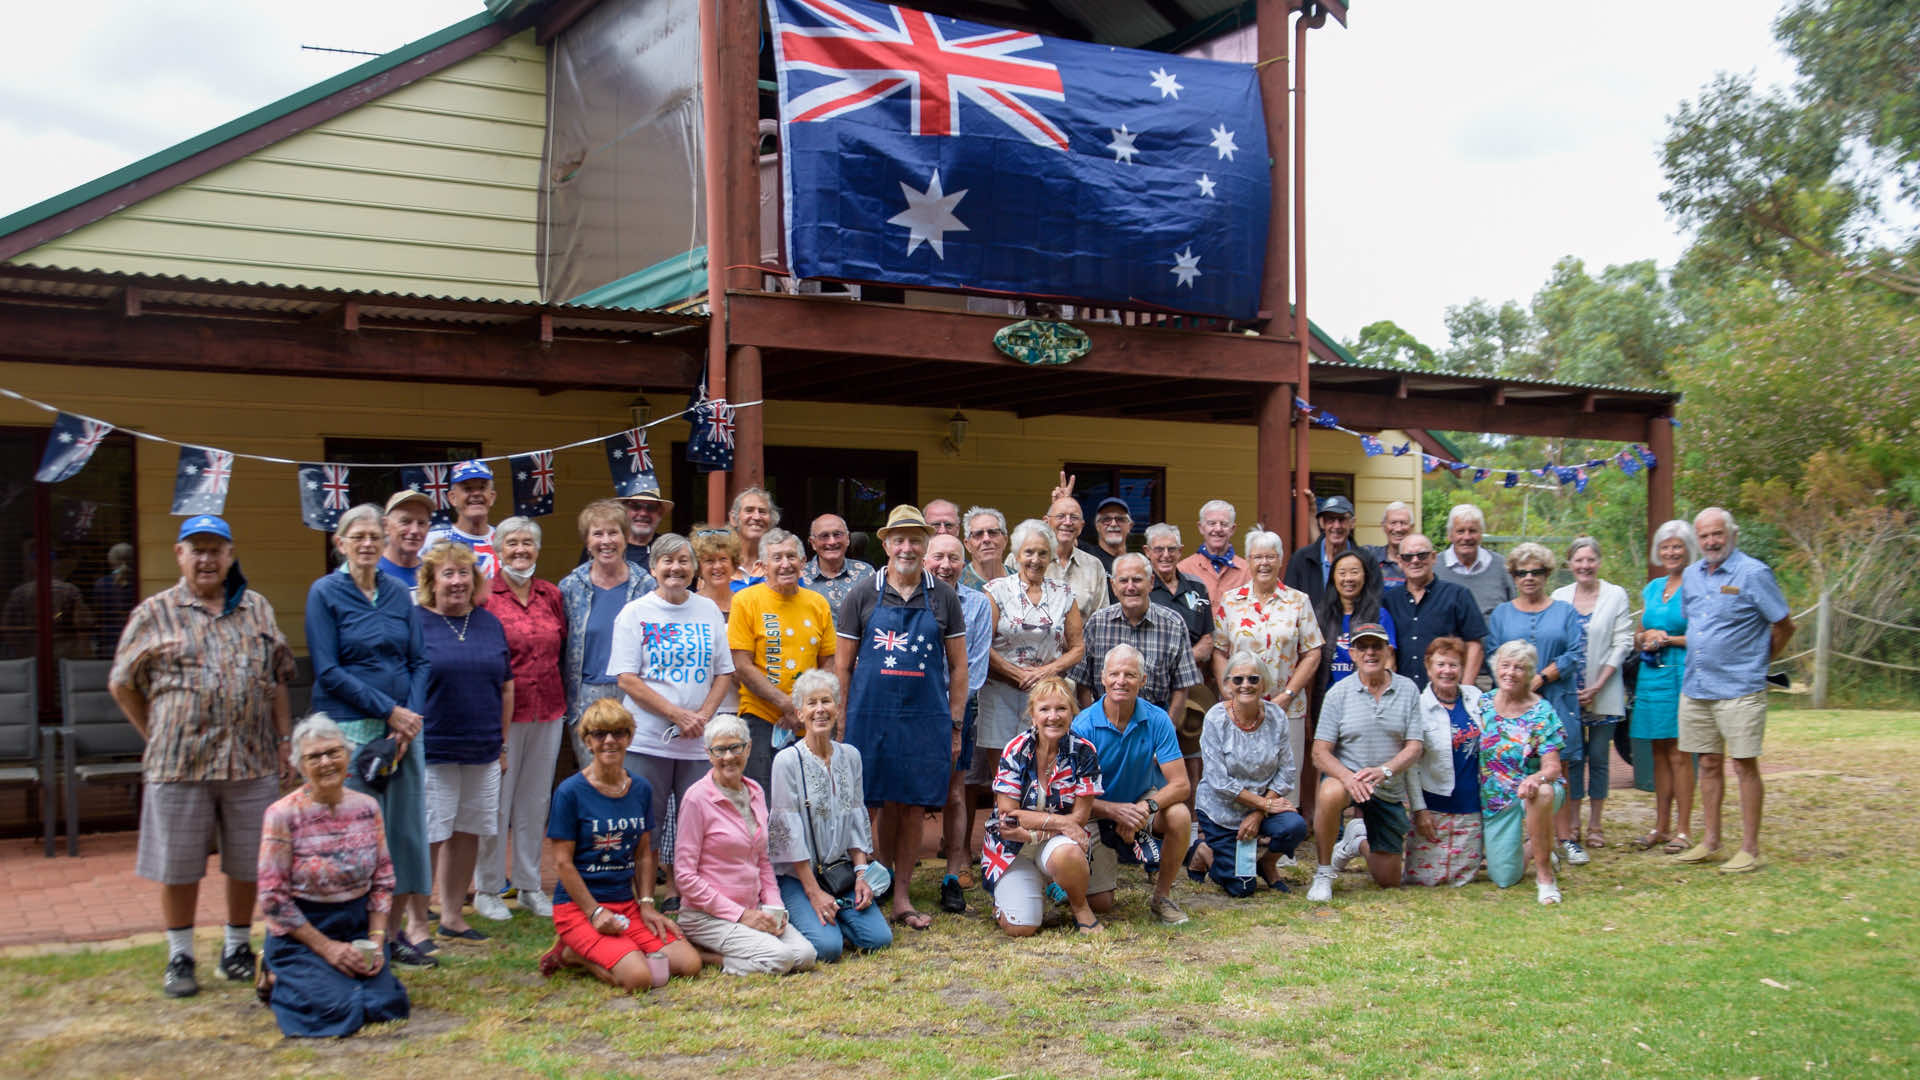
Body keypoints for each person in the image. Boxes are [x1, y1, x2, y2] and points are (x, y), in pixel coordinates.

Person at [109, 514, 294, 998]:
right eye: (198, 550)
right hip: (179, 764)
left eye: (216, 550)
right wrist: (154, 733)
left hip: (251, 760)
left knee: (249, 861)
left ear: (230, 556)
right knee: (179, 865)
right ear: (180, 555)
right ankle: (180, 956)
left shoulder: (257, 608)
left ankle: (236, 948)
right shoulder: (154, 613)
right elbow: (122, 683)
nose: (207, 559)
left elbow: (278, 676)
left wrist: (284, 740)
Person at [303, 504, 433, 965]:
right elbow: (328, 670)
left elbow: (419, 661)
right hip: (352, 736)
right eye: (357, 536)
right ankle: (356, 936)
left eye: (374, 537)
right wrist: (389, 711)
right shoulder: (325, 593)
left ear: (385, 542)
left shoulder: (397, 592)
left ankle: (392, 935)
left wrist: (409, 718)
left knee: (403, 838)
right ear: (339, 543)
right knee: (356, 839)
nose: (366, 544)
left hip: (401, 737)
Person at [834, 505, 969, 931]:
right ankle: (876, 886)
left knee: (912, 805)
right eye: (899, 539)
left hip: (925, 717)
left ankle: (903, 898)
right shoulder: (862, 593)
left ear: (926, 545)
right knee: (872, 804)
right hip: (870, 715)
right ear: (887, 544)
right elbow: (842, 666)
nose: (907, 547)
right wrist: (842, 721)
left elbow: (959, 668)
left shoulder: (944, 596)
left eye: (915, 539)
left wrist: (955, 724)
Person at [255, 715, 409, 1036]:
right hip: (302, 933)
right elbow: (273, 899)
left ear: (348, 755)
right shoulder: (282, 814)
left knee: (387, 1005)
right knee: (337, 1009)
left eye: (333, 752)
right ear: (300, 765)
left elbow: (383, 880)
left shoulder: (367, 807)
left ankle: (306, 979)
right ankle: (275, 974)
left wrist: (376, 940)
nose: (326, 762)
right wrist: (327, 949)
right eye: (314, 757)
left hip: (356, 928)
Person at [537, 699, 702, 989]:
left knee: (688, 964)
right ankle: (571, 952)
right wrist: (594, 912)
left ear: (629, 737)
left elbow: (644, 854)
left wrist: (647, 904)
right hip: (579, 908)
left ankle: (619, 950)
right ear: (587, 741)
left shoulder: (640, 788)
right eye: (600, 734)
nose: (610, 740)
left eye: (619, 732)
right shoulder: (570, 792)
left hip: (626, 905)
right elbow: (562, 863)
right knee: (639, 978)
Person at [610, 532, 734, 909]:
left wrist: (703, 717)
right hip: (648, 739)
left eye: (683, 560)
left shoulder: (707, 611)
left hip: (698, 739)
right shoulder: (635, 613)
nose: (675, 568)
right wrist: (676, 714)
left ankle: (682, 891)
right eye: (667, 561)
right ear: (653, 568)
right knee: (647, 819)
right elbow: (627, 678)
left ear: (693, 567)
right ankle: (644, 897)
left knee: (695, 820)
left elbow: (723, 672)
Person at [1675, 507, 1794, 874]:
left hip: (1740, 688)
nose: (1711, 542)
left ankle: (1749, 848)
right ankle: (1710, 841)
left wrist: (1759, 663)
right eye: (1704, 536)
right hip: (1697, 686)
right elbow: (1695, 624)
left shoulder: (1754, 573)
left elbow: (1784, 626)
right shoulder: (1691, 576)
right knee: (1708, 763)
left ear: (1732, 535)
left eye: (1717, 534)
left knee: (1743, 765)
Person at [417, 541, 513, 942]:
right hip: (432, 748)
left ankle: (453, 916)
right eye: (448, 574)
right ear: (431, 581)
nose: (457, 582)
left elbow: (506, 687)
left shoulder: (489, 622)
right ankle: (416, 923)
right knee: (430, 834)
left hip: (482, 748)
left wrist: (502, 744)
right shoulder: (416, 622)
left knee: (468, 830)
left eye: (464, 574)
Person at [977, 519, 1084, 869]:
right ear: (1016, 555)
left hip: (1048, 698)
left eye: (1042, 553)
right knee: (1006, 779)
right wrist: (1018, 674)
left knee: (1047, 772)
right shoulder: (996, 590)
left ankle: (1048, 852)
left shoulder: (1064, 593)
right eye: (1029, 552)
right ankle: (1005, 854)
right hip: (1001, 692)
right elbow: (982, 643)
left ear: (1051, 556)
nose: (1035, 559)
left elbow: (1077, 647)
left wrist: (1044, 673)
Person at [475, 516, 568, 921]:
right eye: (512, 543)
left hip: (548, 709)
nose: (520, 550)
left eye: (527, 543)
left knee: (535, 801)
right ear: (498, 550)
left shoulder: (551, 594)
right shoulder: (485, 595)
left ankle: (530, 886)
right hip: (501, 715)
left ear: (537, 549)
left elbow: (562, 647)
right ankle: (489, 887)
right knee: (496, 801)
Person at [674, 715, 817, 975]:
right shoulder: (696, 799)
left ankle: (745, 944)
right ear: (708, 754)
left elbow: (763, 860)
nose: (728, 757)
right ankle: (711, 958)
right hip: (707, 915)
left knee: (805, 956)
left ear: (748, 748)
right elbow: (685, 876)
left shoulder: (755, 791)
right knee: (781, 959)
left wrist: (775, 910)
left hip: (753, 908)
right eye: (720, 750)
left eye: (735, 747)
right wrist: (741, 915)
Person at [767, 669, 893, 960]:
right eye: (811, 703)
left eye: (826, 701)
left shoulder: (851, 756)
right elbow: (787, 834)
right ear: (799, 713)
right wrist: (814, 893)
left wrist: (861, 875)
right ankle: (814, 915)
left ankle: (837, 916)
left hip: (840, 872)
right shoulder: (787, 761)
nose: (820, 709)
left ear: (837, 708)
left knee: (879, 939)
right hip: (800, 877)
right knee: (828, 948)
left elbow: (856, 818)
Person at [1074, 644, 1195, 925]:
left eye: (1130, 675)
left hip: (1139, 800)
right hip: (1093, 808)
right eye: (1114, 674)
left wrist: (1144, 808)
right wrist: (1115, 811)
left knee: (1179, 815)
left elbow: (1181, 785)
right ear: (1103, 678)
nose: (1121, 681)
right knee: (1101, 904)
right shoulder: (1083, 725)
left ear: (1143, 680)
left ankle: (1162, 897)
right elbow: (1070, 794)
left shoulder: (1157, 719)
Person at [1305, 623, 1424, 903]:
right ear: (1352, 654)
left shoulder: (1408, 689)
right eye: (1362, 647)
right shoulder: (1338, 693)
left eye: (1376, 646)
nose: (1370, 653)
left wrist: (1386, 770)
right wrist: (1348, 778)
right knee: (1330, 791)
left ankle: (1356, 841)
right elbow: (1319, 753)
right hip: (1349, 782)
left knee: (1389, 880)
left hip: (1387, 786)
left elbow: (1415, 746)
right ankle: (1324, 872)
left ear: (1388, 651)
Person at [1484, 542, 1586, 865]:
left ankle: (1565, 838)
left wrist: (1541, 677)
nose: (1529, 578)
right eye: (1521, 572)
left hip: (1556, 696)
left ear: (1547, 574)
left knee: (1558, 766)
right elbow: (1494, 653)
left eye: (1536, 572)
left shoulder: (1565, 611)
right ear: (1513, 576)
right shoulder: (1502, 613)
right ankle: (1530, 840)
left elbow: (1575, 653)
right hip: (1513, 700)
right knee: (1513, 765)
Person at [982, 676, 1104, 936]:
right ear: (1033, 714)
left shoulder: (1084, 752)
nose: (1053, 716)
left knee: (1069, 854)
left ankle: (1080, 907)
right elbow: (1009, 816)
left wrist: (1033, 833)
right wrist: (1059, 823)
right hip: (1012, 846)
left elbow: (1080, 819)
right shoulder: (1015, 750)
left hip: (1055, 842)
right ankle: (1013, 897)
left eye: (1061, 708)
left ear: (1072, 712)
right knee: (1021, 928)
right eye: (1045, 709)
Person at [1212, 529, 1324, 799]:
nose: (1264, 563)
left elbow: (1312, 653)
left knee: (1284, 782)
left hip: (1286, 707)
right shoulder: (1231, 600)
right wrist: (1229, 692)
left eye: (1270, 557)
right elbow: (1219, 651)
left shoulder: (1298, 601)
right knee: (1240, 775)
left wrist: (1288, 695)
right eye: (1257, 557)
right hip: (1239, 706)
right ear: (1248, 561)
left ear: (1280, 560)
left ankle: (1283, 822)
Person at [729, 528, 836, 794]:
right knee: (763, 800)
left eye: (791, 556)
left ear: (803, 562)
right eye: (777, 558)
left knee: (810, 799)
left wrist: (805, 708)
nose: (785, 564)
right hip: (760, 717)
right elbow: (741, 665)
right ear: (763, 566)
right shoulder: (745, 601)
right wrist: (787, 704)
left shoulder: (818, 603)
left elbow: (828, 663)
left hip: (809, 719)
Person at [1194, 648, 1307, 896]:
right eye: (1238, 679)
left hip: (1261, 809)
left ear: (1263, 683)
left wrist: (1259, 811)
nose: (1246, 685)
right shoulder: (1215, 719)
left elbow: (1286, 771)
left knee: (1295, 826)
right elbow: (1219, 781)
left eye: (1253, 679)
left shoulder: (1277, 716)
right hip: (1221, 812)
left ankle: (1266, 864)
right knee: (1242, 888)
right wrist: (1265, 805)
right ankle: (1203, 852)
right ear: (1228, 685)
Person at [559, 500, 656, 774]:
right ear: (587, 542)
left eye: (613, 532)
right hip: (588, 695)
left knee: (634, 776)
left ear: (626, 537)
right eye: (597, 534)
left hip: (636, 694)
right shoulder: (570, 587)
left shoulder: (646, 586)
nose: (606, 541)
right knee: (595, 777)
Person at [1552, 537, 1634, 851]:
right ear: (1570, 564)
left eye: (1590, 560)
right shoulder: (1559, 597)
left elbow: (1622, 642)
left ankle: (1596, 823)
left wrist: (1599, 683)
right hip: (1568, 693)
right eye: (1579, 560)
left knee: (1599, 758)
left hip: (1604, 689)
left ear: (1598, 562)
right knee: (1572, 758)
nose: (1585, 566)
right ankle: (1572, 821)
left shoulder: (1615, 595)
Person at [927, 531, 994, 914]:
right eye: (938, 557)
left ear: (963, 563)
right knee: (896, 796)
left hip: (956, 708)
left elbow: (976, 669)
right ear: (925, 560)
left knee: (955, 793)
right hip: (913, 710)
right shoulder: (910, 599)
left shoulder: (978, 604)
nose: (945, 565)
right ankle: (888, 869)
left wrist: (949, 711)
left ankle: (953, 872)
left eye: (953, 558)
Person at [1477, 640, 1567, 904]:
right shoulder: (1483, 704)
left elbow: (1553, 767)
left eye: (1519, 668)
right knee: (1504, 877)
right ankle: (1541, 845)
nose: (1510, 672)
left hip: (1533, 791)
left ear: (1529, 673)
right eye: (1505, 665)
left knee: (1542, 793)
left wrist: (1535, 778)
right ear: (1496, 668)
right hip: (1496, 798)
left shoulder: (1541, 711)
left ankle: (1545, 877)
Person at [1631, 519, 1700, 854]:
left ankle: (1684, 829)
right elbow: (1639, 632)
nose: (1671, 552)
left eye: (1677, 546)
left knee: (1679, 751)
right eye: (1665, 547)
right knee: (1657, 749)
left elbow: (1703, 635)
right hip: (1651, 674)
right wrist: (1645, 636)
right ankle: (1661, 825)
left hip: (1680, 672)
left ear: (1688, 550)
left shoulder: (1697, 584)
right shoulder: (1653, 588)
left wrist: (1668, 639)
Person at [1071, 554, 1202, 720]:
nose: (1130, 587)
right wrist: (1093, 723)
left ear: (1151, 582)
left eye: (1137, 580)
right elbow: (1082, 683)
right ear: (1113, 586)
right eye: (1123, 581)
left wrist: (1167, 727)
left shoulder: (1173, 625)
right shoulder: (1097, 623)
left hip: (1154, 722)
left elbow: (1182, 686)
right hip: (1104, 720)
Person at [1143, 523, 1216, 803]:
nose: (1165, 555)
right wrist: (1184, 658)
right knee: (1157, 759)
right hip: (1153, 686)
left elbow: (1207, 642)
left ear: (1181, 551)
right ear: (1147, 551)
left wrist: (1177, 660)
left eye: (1171, 549)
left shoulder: (1196, 587)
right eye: (1159, 549)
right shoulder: (1142, 587)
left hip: (1193, 687)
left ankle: (1192, 821)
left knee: (1192, 759)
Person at [1403, 637, 1482, 887]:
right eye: (1441, 664)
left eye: (1453, 665)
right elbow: (1411, 766)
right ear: (1428, 667)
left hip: (1471, 804)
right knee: (1424, 879)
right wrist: (1419, 810)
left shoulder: (1476, 698)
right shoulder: (1418, 707)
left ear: (1462, 668)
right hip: (1434, 805)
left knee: (1462, 879)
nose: (1447, 671)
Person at [1382, 533, 1488, 691]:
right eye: (1408, 557)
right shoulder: (1389, 600)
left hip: (1447, 693)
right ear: (1399, 561)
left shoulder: (1458, 595)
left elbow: (1475, 645)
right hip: (1402, 693)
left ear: (1433, 557)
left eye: (1422, 555)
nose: (1415, 561)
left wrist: (1465, 690)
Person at [1313, 548, 1397, 696]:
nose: (1348, 578)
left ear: (1365, 576)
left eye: (1354, 572)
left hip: (1367, 696)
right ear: (1333, 578)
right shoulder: (1321, 615)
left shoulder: (1379, 615)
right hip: (1327, 697)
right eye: (1342, 573)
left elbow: (1389, 662)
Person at [1284, 494, 1370, 608]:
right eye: (1331, 519)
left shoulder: (1367, 560)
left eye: (1342, 519)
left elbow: (1373, 601)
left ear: (1352, 523)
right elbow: (1288, 602)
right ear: (1321, 523)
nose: (1336, 525)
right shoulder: (1300, 559)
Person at [423, 460, 499, 582]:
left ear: (492, 497)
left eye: (482, 488)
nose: (476, 494)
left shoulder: (506, 540)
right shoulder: (433, 540)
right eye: (467, 489)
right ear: (452, 498)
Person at [1433, 503, 1512, 616]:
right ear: (1449, 535)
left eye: (1473, 531)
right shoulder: (1435, 567)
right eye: (1460, 531)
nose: (1467, 537)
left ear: (1481, 534)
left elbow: (1514, 609)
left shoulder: (1501, 566)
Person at [576, 482, 669, 569]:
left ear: (660, 513)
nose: (643, 513)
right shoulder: (601, 545)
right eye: (635, 506)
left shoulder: (669, 547)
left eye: (651, 508)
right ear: (623, 510)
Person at [1044, 496, 1109, 619]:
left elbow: (1101, 619)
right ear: (1046, 521)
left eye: (1074, 517)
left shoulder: (1094, 566)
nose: (1068, 522)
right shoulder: (1024, 560)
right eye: (1060, 516)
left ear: (1082, 525)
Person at [1178, 499, 1250, 606]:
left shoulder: (1247, 571)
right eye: (1211, 523)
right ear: (1201, 528)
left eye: (1224, 524)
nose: (1218, 529)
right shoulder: (1183, 569)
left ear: (1232, 529)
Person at [801, 512, 874, 612]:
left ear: (847, 539)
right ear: (813, 543)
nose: (832, 542)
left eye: (837, 534)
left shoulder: (866, 572)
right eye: (824, 536)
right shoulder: (800, 576)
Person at [378, 489, 433, 587]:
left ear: (428, 528)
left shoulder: (432, 573)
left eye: (421, 523)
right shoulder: (371, 573)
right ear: (385, 525)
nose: (414, 530)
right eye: (406, 522)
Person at [692, 525, 744, 622]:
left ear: (733, 563)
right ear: (698, 566)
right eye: (709, 560)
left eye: (723, 559)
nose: (717, 566)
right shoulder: (689, 606)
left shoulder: (745, 604)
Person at [729, 487, 779, 584]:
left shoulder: (782, 564)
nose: (757, 517)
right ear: (733, 519)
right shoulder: (720, 564)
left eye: (762, 511)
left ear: (772, 521)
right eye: (749, 510)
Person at [1365, 501, 1415, 589]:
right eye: (1393, 523)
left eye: (1403, 523)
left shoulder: (1420, 561)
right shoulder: (1369, 556)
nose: (1398, 529)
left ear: (1412, 527)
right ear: (1383, 526)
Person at [960, 505, 1010, 590]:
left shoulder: (1021, 582)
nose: (986, 539)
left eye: (993, 532)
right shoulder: (956, 585)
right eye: (978, 534)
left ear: (1005, 540)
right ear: (967, 545)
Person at [1084, 496, 1133, 572]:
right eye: (1106, 519)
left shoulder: (1136, 563)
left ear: (1130, 526)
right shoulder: (1085, 557)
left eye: (1120, 519)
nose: (1113, 524)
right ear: (1097, 526)